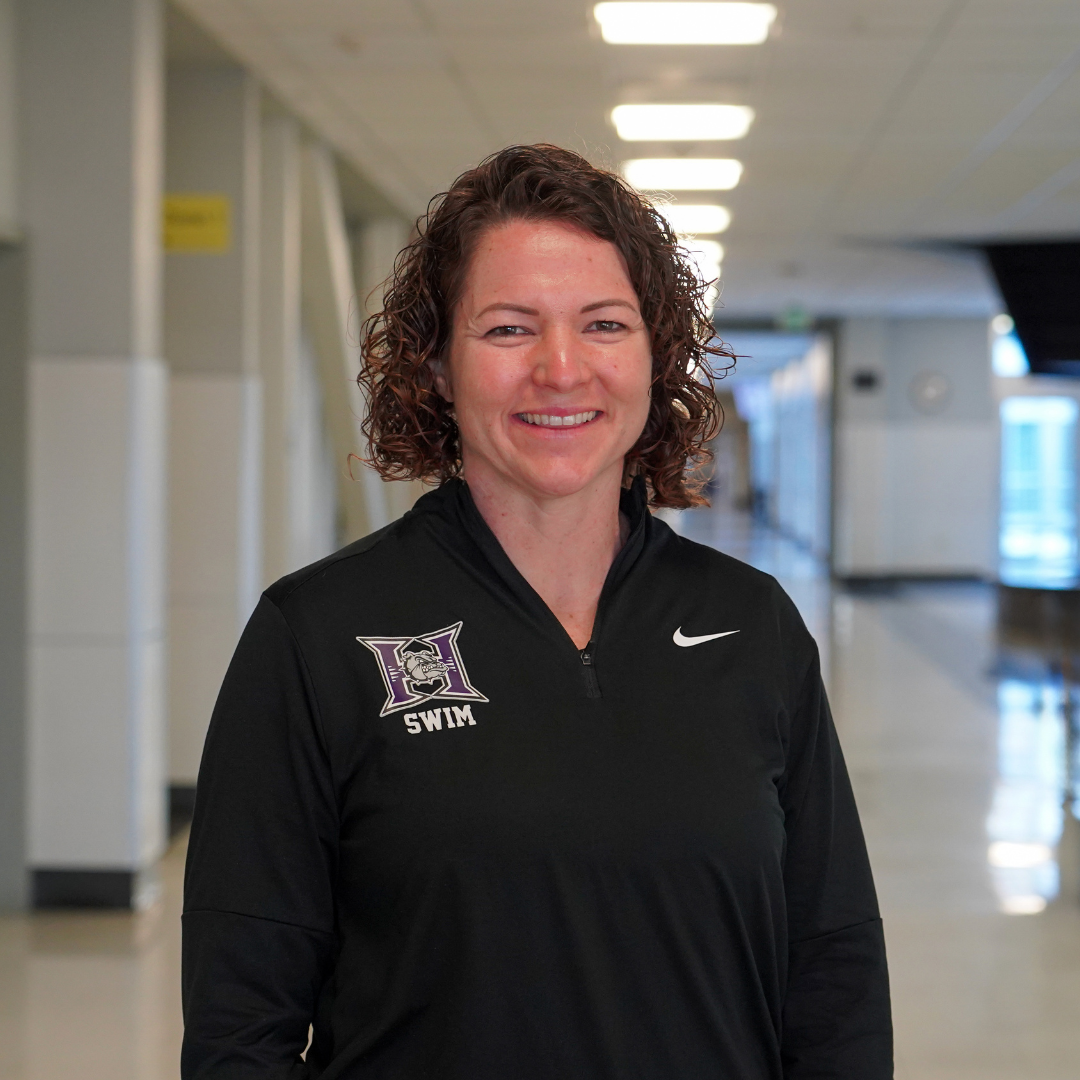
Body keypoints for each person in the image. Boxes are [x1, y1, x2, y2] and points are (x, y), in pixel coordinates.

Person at [181, 143, 892, 1079]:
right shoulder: (318, 635)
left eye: (604, 325)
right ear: (438, 365)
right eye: (509, 329)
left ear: (654, 357)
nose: (562, 369)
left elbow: (834, 970)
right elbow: (240, 1025)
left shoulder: (752, 624)